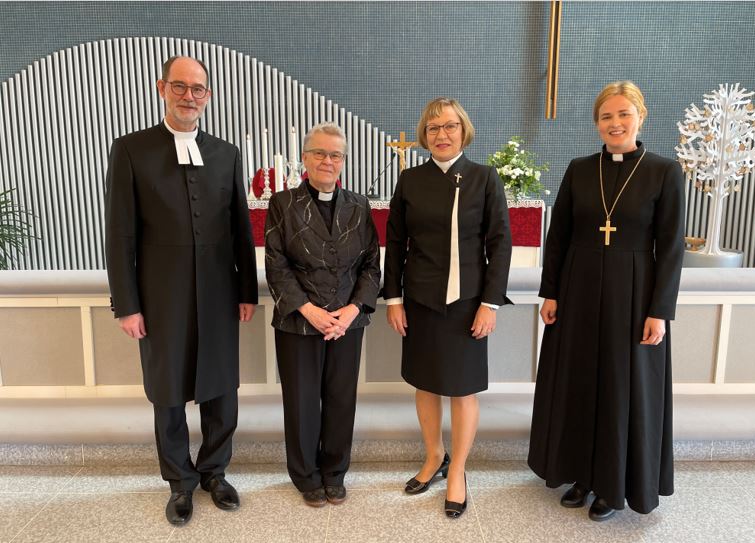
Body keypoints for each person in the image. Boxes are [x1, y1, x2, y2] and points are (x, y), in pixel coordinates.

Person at [105, 56, 258, 526]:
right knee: (168, 392)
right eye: (180, 86)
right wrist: (127, 305)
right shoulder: (131, 150)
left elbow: (239, 230)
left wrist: (246, 291)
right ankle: (180, 482)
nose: (189, 95)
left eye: (198, 89)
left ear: (208, 96)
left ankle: (214, 472)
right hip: (160, 295)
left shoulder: (227, 154)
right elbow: (120, 235)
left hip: (218, 293)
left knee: (221, 390)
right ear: (161, 88)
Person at [527, 80, 685, 521]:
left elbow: (670, 248)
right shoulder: (579, 169)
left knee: (620, 386)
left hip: (632, 298)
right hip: (577, 293)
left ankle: (613, 486)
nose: (615, 123)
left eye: (623, 114)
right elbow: (557, 237)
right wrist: (551, 291)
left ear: (640, 115)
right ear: (597, 122)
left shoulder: (663, 171)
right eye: (606, 116)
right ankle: (580, 473)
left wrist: (660, 311)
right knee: (579, 381)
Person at [383, 97, 512, 518]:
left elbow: (499, 245)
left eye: (450, 126)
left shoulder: (484, 178)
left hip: (469, 301)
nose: (441, 134)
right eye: (433, 127)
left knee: (462, 388)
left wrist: (489, 304)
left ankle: (457, 469)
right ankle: (433, 456)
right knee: (425, 382)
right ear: (425, 134)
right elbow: (397, 243)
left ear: (463, 131)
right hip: (420, 300)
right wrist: (395, 299)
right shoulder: (411, 180)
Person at [264, 122, 381, 508]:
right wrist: (309, 310)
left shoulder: (359, 206)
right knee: (300, 401)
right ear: (305, 156)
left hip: (348, 321)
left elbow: (371, 266)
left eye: (335, 155)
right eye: (320, 153)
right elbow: (277, 266)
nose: (327, 161)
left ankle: (334, 471)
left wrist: (351, 310)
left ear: (343, 161)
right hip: (299, 320)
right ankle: (305, 475)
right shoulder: (283, 204)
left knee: (340, 398)